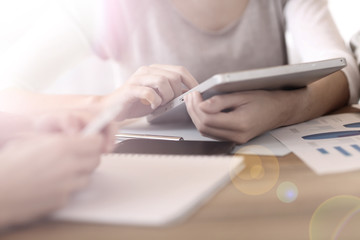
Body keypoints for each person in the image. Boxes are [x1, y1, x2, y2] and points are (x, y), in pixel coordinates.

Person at [0, 0, 358, 143]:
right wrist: (104, 103)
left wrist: (282, 109)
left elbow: (345, 72)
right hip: (157, 175)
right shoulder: (110, 7)